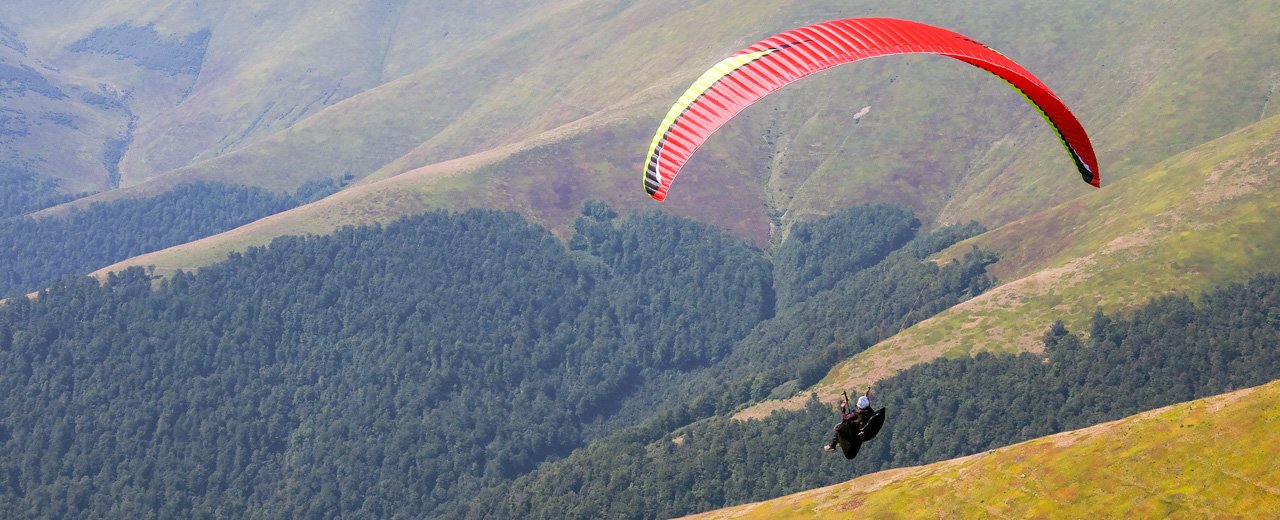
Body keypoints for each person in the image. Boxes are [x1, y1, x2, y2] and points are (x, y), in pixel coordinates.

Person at [824, 386, 872, 452]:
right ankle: (839, 442)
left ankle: (832, 445)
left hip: (852, 429)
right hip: (858, 428)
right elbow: (866, 400)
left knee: (838, 428)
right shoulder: (867, 411)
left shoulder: (855, 414)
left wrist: (843, 408)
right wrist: (866, 394)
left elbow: (844, 418)